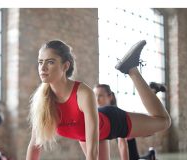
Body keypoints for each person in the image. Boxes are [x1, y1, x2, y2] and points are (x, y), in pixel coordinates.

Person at [26, 40, 171, 160]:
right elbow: (34, 145)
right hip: (87, 135)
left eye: (50, 62)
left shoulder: (83, 93)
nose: (42, 67)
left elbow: (92, 152)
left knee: (163, 122)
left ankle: (132, 69)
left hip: (112, 121)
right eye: (40, 62)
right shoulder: (42, 101)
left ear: (65, 66)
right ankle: (151, 91)